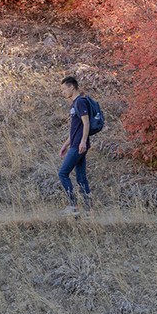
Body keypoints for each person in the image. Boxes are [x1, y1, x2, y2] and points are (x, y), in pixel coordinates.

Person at [58, 75, 92, 215]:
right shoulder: (74, 104)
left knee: (63, 173)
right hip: (76, 144)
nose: (63, 92)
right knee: (81, 177)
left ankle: (73, 206)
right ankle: (89, 211)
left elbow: (86, 123)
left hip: (79, 145)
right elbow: (75, 129)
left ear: (72, 87)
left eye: (64, 89)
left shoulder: (80, 102)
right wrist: (65, 145)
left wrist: (83, 141)